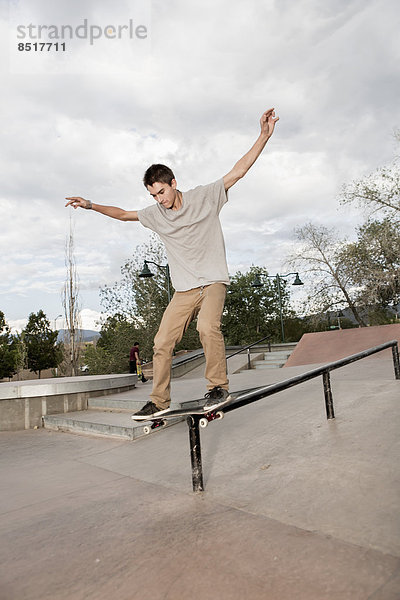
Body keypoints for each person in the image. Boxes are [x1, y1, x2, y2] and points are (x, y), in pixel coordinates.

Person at [66, 108, 279, 417]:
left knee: (207, 327)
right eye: (153, 195)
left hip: (213, 281)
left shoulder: (205, 196)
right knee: (162, 341)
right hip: (184, 290)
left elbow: (238, 171)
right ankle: (158, 400)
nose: (160, 200)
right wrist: (91, 205)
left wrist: (263, 135)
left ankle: (217, 387)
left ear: (173, 183)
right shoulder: (155, 214)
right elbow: (124, 214)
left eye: (162, 192)